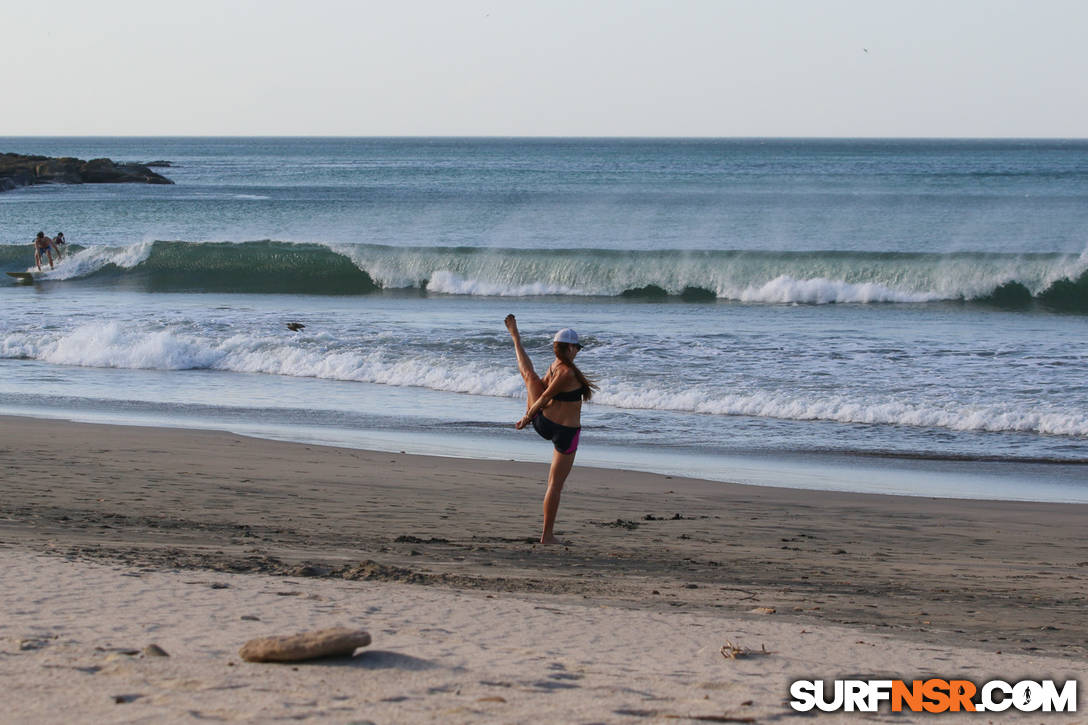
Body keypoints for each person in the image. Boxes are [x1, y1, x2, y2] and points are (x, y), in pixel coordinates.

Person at [505, 314, 598, 545]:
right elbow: (546, 395)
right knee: (554, 485)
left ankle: (516, 338)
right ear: (568, 348)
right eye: (576, 347)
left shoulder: (556, 365)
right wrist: (526, 418)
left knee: (529, 377)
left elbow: (541, 391)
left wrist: (530, 416)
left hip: (544, 423)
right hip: (565, 434)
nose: (578, 351)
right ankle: (547, 536)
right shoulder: (567, 372)